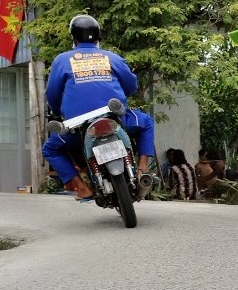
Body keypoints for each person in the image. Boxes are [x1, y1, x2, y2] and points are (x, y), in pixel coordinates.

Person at [41, 14, 155, 201]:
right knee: (146, 123)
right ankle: (142, 168)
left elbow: (52, 94)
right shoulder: (112, 58)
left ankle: (81, 187)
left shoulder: (62, 60)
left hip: (78, 126)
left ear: (73, 38)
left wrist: (56, 111)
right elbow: (132, 87)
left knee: (50, 149)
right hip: (115, 117)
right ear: (99, 37)